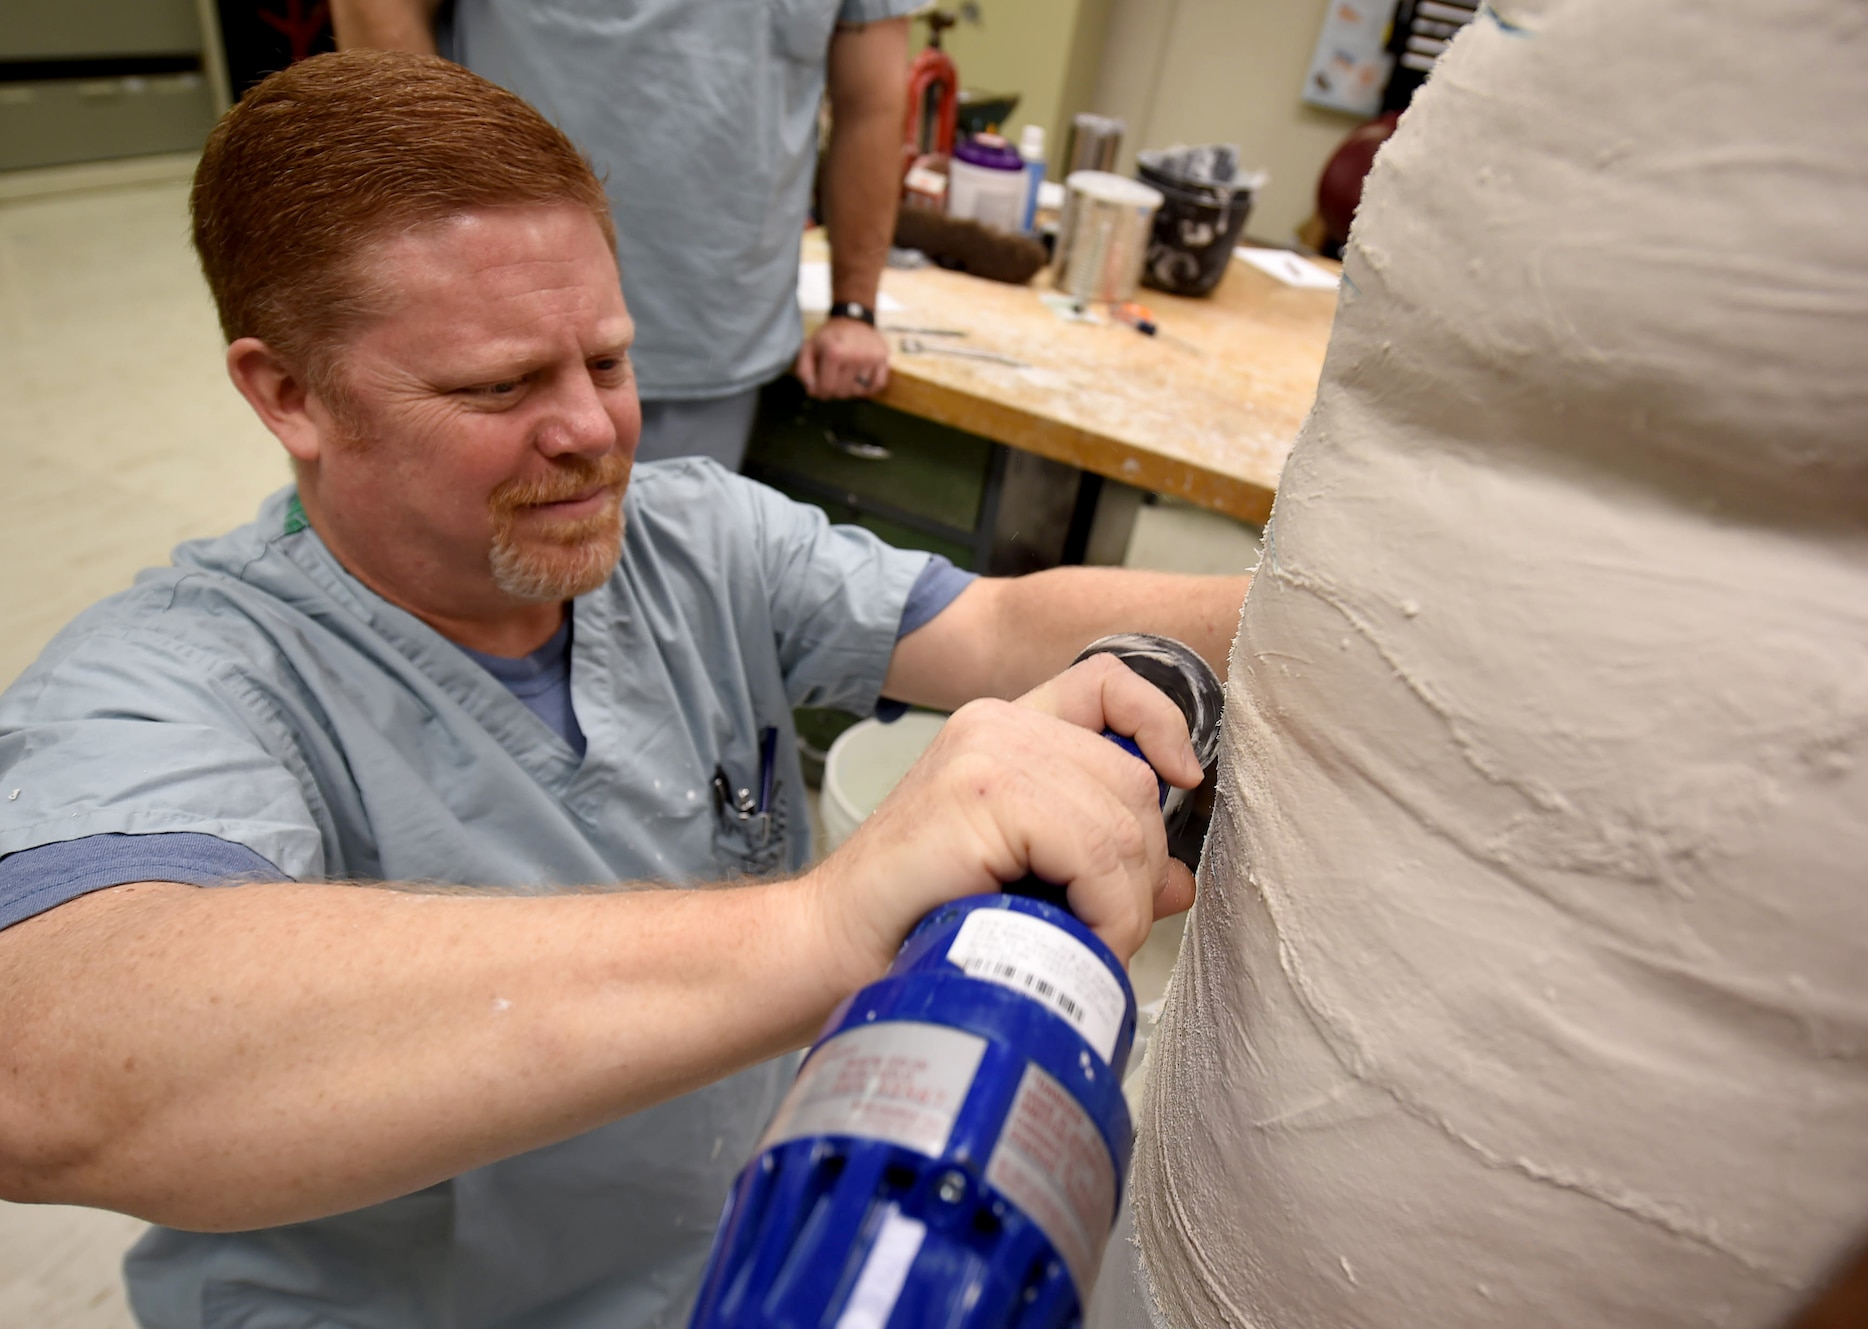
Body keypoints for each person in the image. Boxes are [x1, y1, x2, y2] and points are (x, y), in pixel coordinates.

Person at [0, 52, 1248, 1329]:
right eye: (498, 386)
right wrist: (819, 926)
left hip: (741, 1252)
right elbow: (52, 1065)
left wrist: (1327, 611)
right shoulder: (184, 676)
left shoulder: (690, 539)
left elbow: (989, 623)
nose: (591, 433)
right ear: (286, 395)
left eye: (605, 361)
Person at [330, 0, 916, 469]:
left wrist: (854, 306)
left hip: (716, 336)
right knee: (470, 596)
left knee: (667, 601)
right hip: (494, 329)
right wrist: (441, 233)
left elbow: (872, 104)